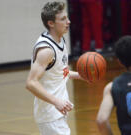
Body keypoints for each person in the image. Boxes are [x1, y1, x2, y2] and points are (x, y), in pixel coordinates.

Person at [25, 1, 82, 135]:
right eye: (63, 19)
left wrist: (79, 75)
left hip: (57, 111)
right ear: (51, 23)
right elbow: (31, 83)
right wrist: (56, 101)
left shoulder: (60, 39)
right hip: (50, 115)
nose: (68, 22)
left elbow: (60, 71)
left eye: (67, 17)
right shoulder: (46, 50)